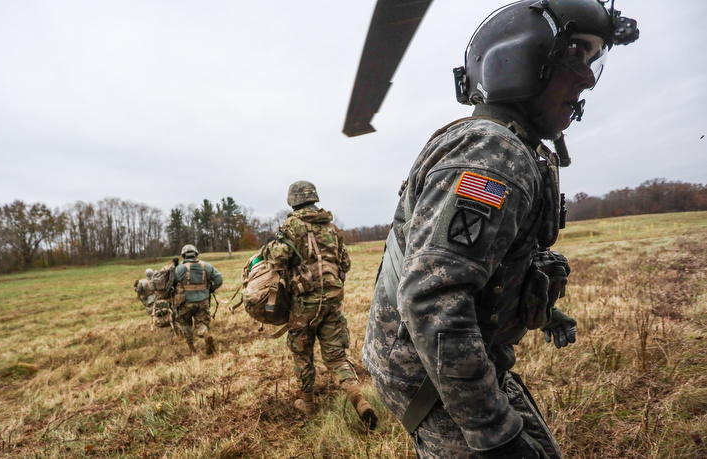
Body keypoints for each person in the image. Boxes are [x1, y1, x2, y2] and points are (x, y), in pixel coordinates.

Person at [361, 1, 638, 457]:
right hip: (432, 380)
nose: (588, 78)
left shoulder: (511, 146)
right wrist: (495, 435)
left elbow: (494, 260)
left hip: (445, 364)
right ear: (519, 61)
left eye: (593, 63)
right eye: (574, 56)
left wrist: (541, 307)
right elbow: (434, 298)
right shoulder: (492, 154)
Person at [268, 180, 378, 429]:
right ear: (314, 198)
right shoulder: (333, 228)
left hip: (304, 307)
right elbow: (345, 264)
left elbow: (276, 264)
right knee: (337, 357)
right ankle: (359, 401)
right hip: (332, 302)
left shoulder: (290, 227)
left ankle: (307, 403)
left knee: (302, 355)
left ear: (293, 200)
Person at [171, 244, 223, 355]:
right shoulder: (206, 266)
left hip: (185, 302)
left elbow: (172, 284)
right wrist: (211, 289)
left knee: (185, 325)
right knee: (202, 323)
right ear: (196, 254)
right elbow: (219, 279)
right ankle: (205, 334)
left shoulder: (180, 268)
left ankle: (192, 349)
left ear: (184, 255)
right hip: (203, 301)